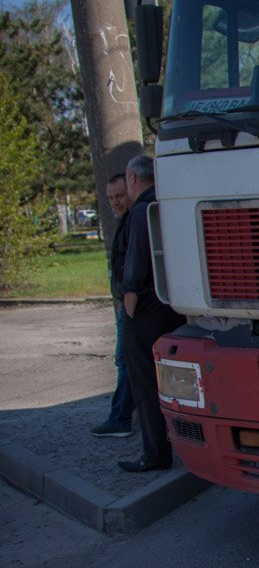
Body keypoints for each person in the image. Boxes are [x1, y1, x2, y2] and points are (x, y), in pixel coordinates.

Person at [114, 154, 185, 473]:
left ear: (132, 178)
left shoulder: (140, 211)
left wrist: (128, 309)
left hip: (145, 309)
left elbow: (135, 266)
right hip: (170, 305)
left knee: (145, 383)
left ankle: (155, 454)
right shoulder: (166, 204)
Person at [90, 174, 135, 438]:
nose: (114, 202)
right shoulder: (127, 220)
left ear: (130, 190)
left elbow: (134, 267)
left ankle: (120, 419)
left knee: (125, 361)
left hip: (130, 305)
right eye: (110, 198)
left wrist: (126, 298)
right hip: (124, 303)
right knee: (125, 361)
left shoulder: (134, 220)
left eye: (119, 196)